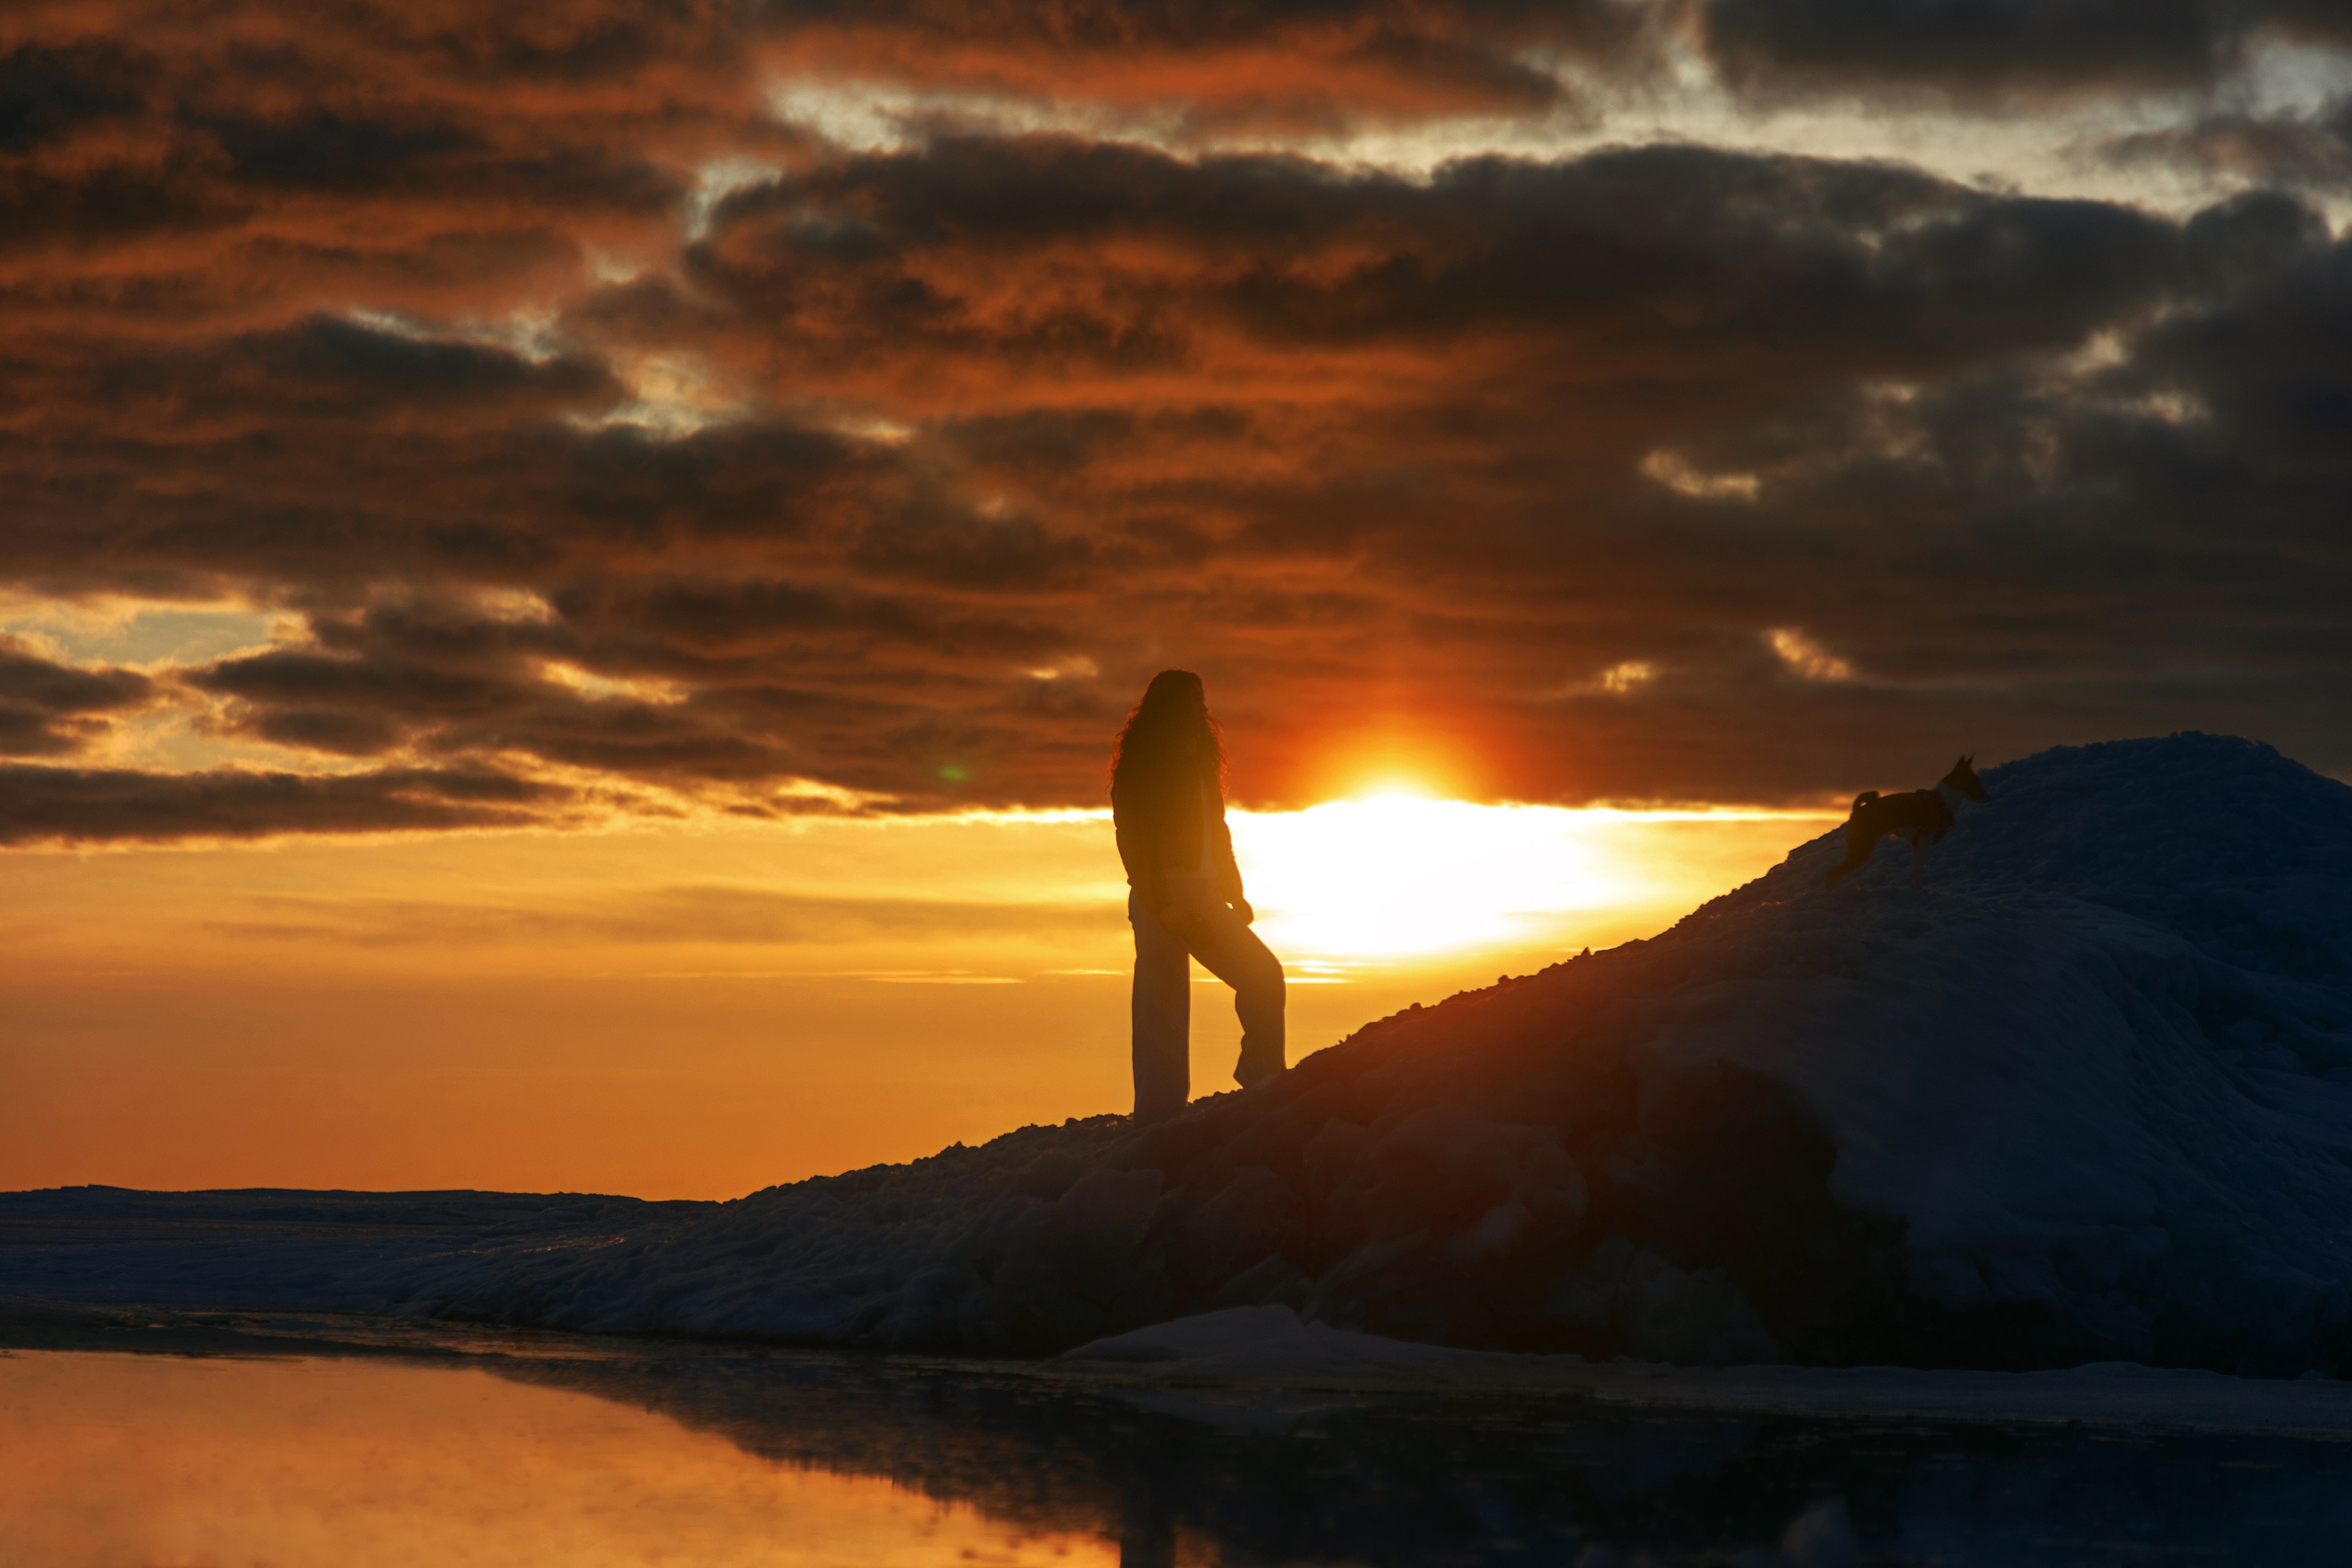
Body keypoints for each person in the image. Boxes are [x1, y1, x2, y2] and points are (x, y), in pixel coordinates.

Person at [1110, 670, 1285, 1121]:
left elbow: (1217, 829)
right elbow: (1132, 838)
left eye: (1201, 700)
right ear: (1169, 706)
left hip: (1203, 893)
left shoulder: (1200, 759)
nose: (1201, 709)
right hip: (1160, 897)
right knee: (1161, 1005)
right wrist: (1162, 905)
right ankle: (1157, 1115)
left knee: (1263, 975)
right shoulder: (1143, 762)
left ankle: (1264, 1077)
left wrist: (1233, 890)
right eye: (1192, 701)